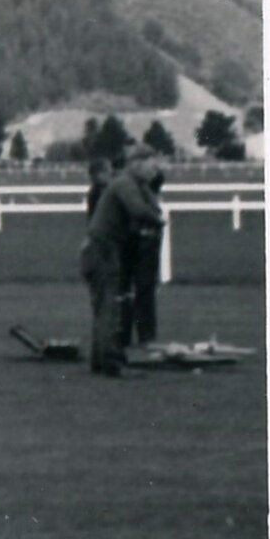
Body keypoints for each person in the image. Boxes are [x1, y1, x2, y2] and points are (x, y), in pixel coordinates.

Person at [82, 144, 166, 377]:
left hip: (98, 250)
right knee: (110, 307)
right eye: (151, 165)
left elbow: (149, 205)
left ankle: (100, 360)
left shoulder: (131, 184)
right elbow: (140, 210)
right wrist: (158, 220)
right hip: (103, 249)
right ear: (136, 164)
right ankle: (112, 362)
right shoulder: (125, 184)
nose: (155, 171)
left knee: (104, 306)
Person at [124, 165, 167, 346]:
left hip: (141, 244)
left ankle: (134, 334)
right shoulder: (149, 198)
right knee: (144, 292)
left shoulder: (141, 195)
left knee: (138, 291)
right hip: (147, 244)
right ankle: (146, 334)